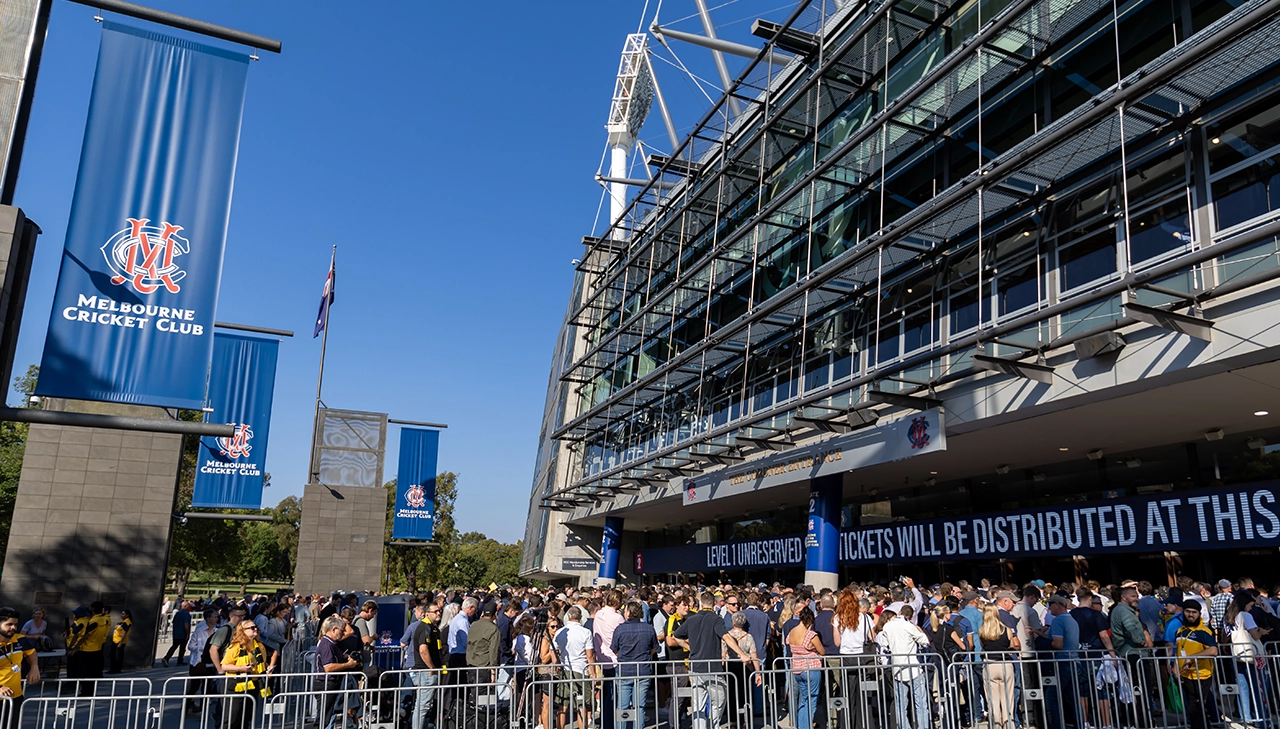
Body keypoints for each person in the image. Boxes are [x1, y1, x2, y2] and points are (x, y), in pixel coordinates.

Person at [673, 591, 750, 729]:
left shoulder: (692, 619)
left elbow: (677, 636)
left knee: (698, 705)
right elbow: (726, 637)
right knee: (718, 701)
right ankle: (712, 726)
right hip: (712, 669)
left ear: (701, 604)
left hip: (695, 667)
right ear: (714, 604)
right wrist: (742, 654)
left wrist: (689, 647)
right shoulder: (716, 619)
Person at [877, 607, 932, 729]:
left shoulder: (887, 626)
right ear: (911, 617)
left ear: (900, 613)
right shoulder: (909, 626)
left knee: (901, 705)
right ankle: (923, 727)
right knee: (921, 703)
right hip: (913, 667)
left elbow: (885, 646)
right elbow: (925, 642)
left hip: (897, 669)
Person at [1223, 590, 1270, 726]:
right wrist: (1261, 631)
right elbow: (1255, 635)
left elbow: (1224, 636)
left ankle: (1246, 717)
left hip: (1236, 654)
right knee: (1257, 687)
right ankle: (1261, 719)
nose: (1251, 607)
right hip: (1250, 652)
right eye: (1250, 604)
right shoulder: (1245, 615)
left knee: (1242, 687)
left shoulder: (1228, 617)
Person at [611, 601, 660, 729]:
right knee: (640, 706)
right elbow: (655, 648)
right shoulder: (648, 628)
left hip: (624, 670)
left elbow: (614, 649)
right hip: (643, 670)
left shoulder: (620, 629)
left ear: (628, 612)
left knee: (622, 706)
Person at [219, 620, 275, 729]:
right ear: (242, 631)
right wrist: (241, 668)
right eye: (252, 628)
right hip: (235, 684)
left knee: (247, 717)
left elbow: (263, 661)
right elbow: (224, 666)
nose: (255, 629)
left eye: (256, 627)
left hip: (252, 684)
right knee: (232, 719)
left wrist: (267, 668)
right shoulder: (235, 647)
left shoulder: (259, 645)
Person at [1173, 601, 1216, 729]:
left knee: (1196, 706)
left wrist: (1192, 658)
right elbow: (1178, 651)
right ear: (1183, 612)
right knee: (1193, 707)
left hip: (1201, 675)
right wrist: (1176, 669)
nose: (1191, 615)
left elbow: (1213, 650)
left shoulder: (1203, 631)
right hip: (1185, 674)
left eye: (1194, 612)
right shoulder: (1180, 631)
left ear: (1199, 614)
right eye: (1188, 612)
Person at [315, 615, 362, 729]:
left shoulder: (332, 643)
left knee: (330, 713)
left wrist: (344, 657)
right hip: (325, 683)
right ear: (333, 629)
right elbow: (328, 668)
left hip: (332, 682)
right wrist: (348, 665)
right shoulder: (326, 644)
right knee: (324, 716)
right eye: (341, 631)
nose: (343, 634)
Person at [553, 606, 596, 729]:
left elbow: (553, 650)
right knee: (582, 706)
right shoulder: (586, 632)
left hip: (564, 669)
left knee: (563, 705)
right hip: (581, 669)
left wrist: (556, 664)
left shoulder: (560, 632)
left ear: (568, 617)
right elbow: (590, 655)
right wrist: (592, 672)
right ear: (581, 617)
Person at [979, 604, 1019, 729]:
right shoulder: (1006, 629)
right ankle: (1009, 725)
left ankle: (996, 726)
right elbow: (1012, 646)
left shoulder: (982, 630)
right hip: (1005, 664)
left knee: (993, 700)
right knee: (1008, 699)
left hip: (990, 664)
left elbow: (983, 647)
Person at [0, 606, 40, 728]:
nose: (13, 628)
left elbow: (31, 653)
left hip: (15, 697)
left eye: (15, 625)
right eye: (9, 624)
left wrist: (34, 667)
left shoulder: (20, 640)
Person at [788, 605, 826, 729]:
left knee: (804, 699)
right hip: (811, 667)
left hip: (796, 668)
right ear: (809, 619)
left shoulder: (792, 632)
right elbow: (822, 651)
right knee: (812, 699)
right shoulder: (811, 634)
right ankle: (806, 726)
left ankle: (801, 725)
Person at [411, 603, 443, 729]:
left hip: (427, 672)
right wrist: (431, 667)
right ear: (427, 613)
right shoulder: (425, 627)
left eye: (439, 611)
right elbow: (423, 649)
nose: (439, 613)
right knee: (423, 706)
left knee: (423, 705)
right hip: (426, 672)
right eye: (435, 611)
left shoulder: (431, 627)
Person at [185, 608, 220, 717]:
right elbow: (190, 646)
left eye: (217, 617)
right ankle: (186, 708)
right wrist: (203, 648)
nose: (216, 619)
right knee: (194, 687)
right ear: (208, 618)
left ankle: (202, 710)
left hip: (210, 663)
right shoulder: (199, 631)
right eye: (214, 617)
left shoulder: (217, 631)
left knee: (207, 689)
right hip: (198, 662)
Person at [163, 601, 192, 667]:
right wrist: (188, 633)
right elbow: (186, 624)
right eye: (188, 605)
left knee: (174, 646)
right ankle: (180, 660)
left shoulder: (177, 613)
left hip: (176, 632)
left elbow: (173, 622)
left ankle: (167, 657)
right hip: (182, 633)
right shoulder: (186, 614)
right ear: (186, 606)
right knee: (182, 647)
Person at [107, 609, 132, 674]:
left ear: (127, 615)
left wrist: (120, 642)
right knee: (112, 655)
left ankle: (117, 669)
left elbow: (125, 632)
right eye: (121, 613)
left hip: (120, 641)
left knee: (118, 656)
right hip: (115, 640)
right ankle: (112, 669)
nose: (121, 615)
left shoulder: (127, 622)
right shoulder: (120, 621)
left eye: (123, 614)